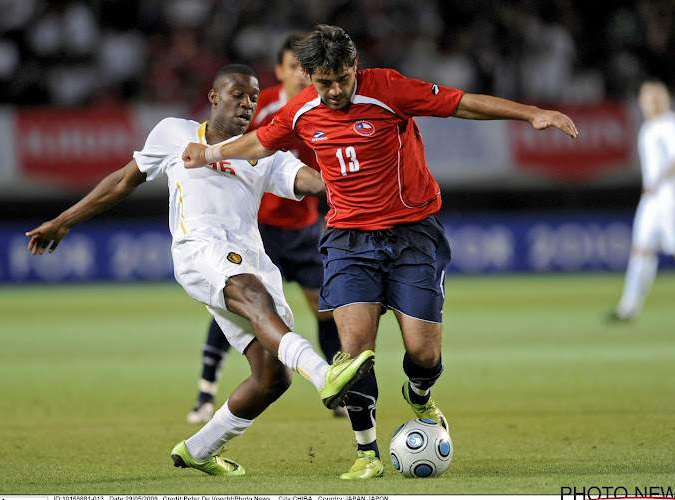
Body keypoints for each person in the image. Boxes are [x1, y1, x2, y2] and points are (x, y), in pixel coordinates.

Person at [181, 25, 579, 480]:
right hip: (349, 240)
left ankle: (420, 397)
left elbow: (460, 102)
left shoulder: (388, 88)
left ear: (356, 68)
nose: (333, 91)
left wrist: (531, 114)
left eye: (342, 79)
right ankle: (366, 452)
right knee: (353, 353)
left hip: (413, 233)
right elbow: (260, 142)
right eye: (323, 81)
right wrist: (210, 154)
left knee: (423, 353)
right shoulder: (300, 109)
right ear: (309, 75)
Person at [25, 63, 375, 477]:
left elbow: (311, 180)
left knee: (273, 377)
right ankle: (324, 374)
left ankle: (198, 449)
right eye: (237, 94)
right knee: (252, 295)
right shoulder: (174, 132)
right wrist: (65, 220)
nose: (247, 104)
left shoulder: (262, 151)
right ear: (213, 97)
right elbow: (123, 181)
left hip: (250, 258)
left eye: (252, 97)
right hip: (199, 250)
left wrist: (358, 186)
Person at [187, 34, 345, 425]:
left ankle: (339, 392)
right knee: (239, 304)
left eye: (305, 69)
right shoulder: (258, 108)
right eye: (293, 67)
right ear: (279, 70)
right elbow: (225, 145)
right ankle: (205, 394)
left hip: (305, 229)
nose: (300, 75)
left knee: (324, 311)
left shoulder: (321, 107)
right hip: (260, 231)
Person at [610, 81, 675, 322]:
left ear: (661, 99)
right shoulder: (648, 127)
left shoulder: (671, 124)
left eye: (651, 98)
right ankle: (628, 309)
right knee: (640, 250)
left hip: (673, 198)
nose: (646, 102)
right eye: (644, 98)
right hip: (652, 200)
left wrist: (658, 181)